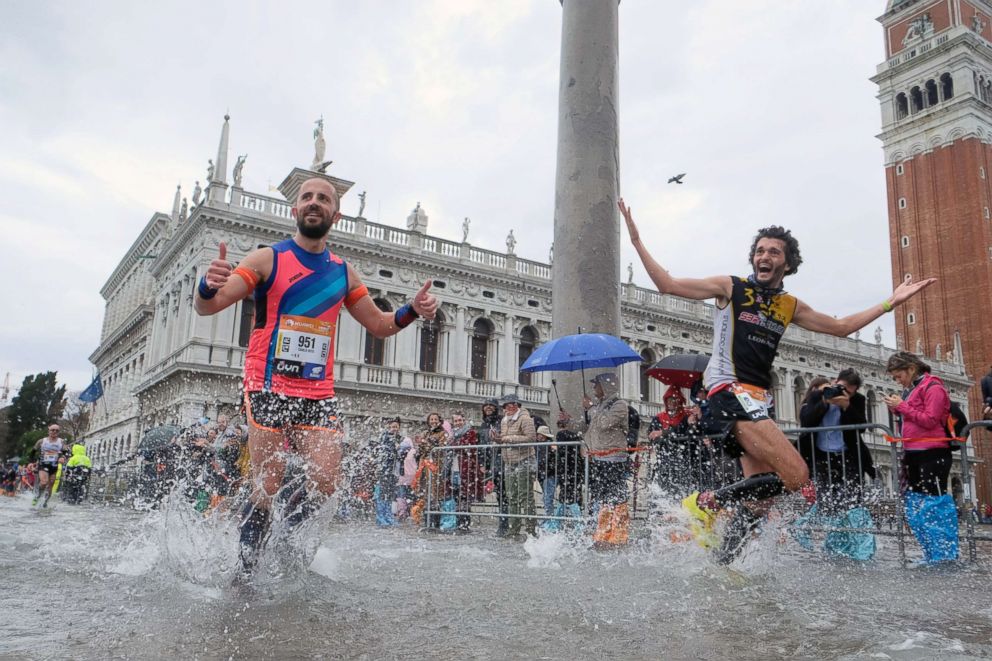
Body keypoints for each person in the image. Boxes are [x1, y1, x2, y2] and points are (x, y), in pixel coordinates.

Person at [619, 198, 936, 563]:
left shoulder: (790, 305)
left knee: (760, 502)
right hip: (728, 392)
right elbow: (668, 284)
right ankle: (704, 503)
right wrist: (638, 241)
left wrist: (890, 303)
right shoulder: (731, 288)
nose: (764, 256)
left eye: (773, 251)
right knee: (798, 476)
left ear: (787, 263)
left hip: (755, 401)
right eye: (759, 250)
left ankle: (724, 565)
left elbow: (841, 327)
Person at [193, 177, 438, 576]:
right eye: (306, 197)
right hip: (267, 380)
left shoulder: (343, 273)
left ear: (335, 215)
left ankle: (286, 544)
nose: (313, 202)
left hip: (316, 390)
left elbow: (379, 324)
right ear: (295, 209)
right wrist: (207, 285)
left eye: (323, 199)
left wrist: (412, 309)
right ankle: (245, 568)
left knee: (327, 480)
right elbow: (210, 307)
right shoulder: (265, 259)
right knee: (268, 480)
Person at [884, 350, 958, 564]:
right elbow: (912, 418)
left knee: (934, 505)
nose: (899, 381)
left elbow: (930, 420)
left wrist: (902, 407)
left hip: (933, 453)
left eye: (899, 376)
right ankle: (931, 553)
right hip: (914, 453)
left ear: (911, 368)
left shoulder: (934, 387)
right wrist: (897, 410)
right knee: (916, 507)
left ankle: (945, 556)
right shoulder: (911, 390)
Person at [560, 372, 631, 548]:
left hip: (614, 458)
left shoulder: (619, 405)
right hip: (598, 458)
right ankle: (603, 533)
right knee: (600, 497)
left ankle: (619, 535)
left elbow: (605, 423)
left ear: (606, 386)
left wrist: (591, 408)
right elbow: (585, 428)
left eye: (596, 384)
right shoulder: (599, 407)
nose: (593, 388)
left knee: (616, 497)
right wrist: (568, 421)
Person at [797, 371, 876, 510]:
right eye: (842, 388)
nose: (844, 393)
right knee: (826, 497)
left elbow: (862, 426)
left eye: (850, 392)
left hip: (848, 454)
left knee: (853, 497)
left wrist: (847, 406)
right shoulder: (817, 395)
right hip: (821, 455)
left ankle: (853, 527)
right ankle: (831, 525)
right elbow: (806, 422)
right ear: (835, 382)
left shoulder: (857, 400)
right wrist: (825, 402)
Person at [494, 394, 537, 540]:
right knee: (511, 496)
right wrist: (498, 439)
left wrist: (506, 439)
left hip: (524, 460)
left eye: (510, 405)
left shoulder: (525, 419)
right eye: (505, 406)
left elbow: (531, 438)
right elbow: (505, 438)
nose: (507, 409)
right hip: (509, 462)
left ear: (516, 405)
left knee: (526, 496)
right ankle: (514, 529)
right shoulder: (504, 421)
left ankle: (531, 530)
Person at [648, 386, 703, 496]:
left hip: (685, 461)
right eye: (669, 400)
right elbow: (651, 435)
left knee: (683, 492)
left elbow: (685, 433)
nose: (671, 402)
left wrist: (663, 433)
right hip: (664, 461)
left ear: (680, 401)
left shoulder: (687, 416)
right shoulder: (659, 417)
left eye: (674, 399)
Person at [476, 398, 508, 535]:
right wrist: (483, 462)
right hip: (492, 464)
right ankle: (503, 522)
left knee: (504, 494)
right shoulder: (484, 425)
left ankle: (505, 523)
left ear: (496, 408)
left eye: (491, 406)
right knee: (499, 494)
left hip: (502, 462)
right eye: (486, 406)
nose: (488, 408)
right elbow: (481, 445)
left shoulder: (502, 421)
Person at [447, 412, 483, 532]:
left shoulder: (470, 432)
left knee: (465, 497)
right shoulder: (452, 435)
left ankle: (464, 523)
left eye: (460, 420)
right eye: (456, 421)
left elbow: (468, 446)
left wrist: (455, 444)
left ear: (464, 421)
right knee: (456, 495)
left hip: (466, 468)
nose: (458, 423)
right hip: (454, 468)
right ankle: (458, 522)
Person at [371, 418, 403, 527]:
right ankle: (381, 517)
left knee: (390, 494)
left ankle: (388, 515)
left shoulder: (399, 438)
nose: (394, 429)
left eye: (396, 427)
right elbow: (383, 453)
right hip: (384, 471)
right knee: (382, 493)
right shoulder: (385, 437)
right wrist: (394, 450)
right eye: (392, 427)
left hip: (394, 471)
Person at [32, 424, 66, 507]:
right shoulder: (41, 441)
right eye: (52, 430)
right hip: (43, 464)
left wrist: (62, 457)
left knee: (50, 485)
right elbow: (33, 452)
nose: (54, 432)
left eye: (57, 430)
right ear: (49, 431)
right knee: (44, 482)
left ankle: (45, 502)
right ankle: (37, 496)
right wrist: (31, 462)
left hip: (54, 466)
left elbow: (66, 452)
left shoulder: (61, 441)